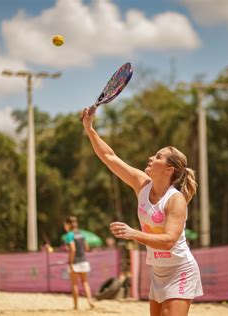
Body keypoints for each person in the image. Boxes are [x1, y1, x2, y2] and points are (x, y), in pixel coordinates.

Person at [81, 108, 203, 316]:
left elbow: (168, 241)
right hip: (158, 271)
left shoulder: (176, 200)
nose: (150, 158)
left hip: (180, 270)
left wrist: (133, 233)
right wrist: (89, 128)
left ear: (169, 169)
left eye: (158, 157)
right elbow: (109, 156)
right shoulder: (142, 184)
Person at [63, 216, 95, 310]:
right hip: (84, 260)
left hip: (75, 262)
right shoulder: (81, 233)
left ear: (68, 225)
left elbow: (73, 249)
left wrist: (70, 261)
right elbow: (87, 247)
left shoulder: (69, 235)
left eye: (65, 225)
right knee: (85, 283)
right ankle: (90, 301)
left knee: (74, 284)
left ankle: (76, 306)